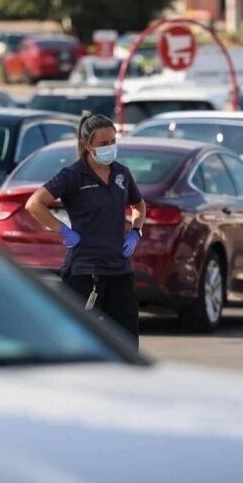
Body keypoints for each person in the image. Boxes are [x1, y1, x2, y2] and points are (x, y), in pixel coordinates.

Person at [25, 113, 146, 347]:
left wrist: (135, 232)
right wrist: (63, 230)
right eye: (103, 143)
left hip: (119, 271)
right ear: (87, 145)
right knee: (80, 340)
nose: (110, 147)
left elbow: (139, 205)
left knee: (126, 343)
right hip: (85, 272)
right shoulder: (72, 176)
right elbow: (34, 204)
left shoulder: (121, 174)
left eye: (113, 141)